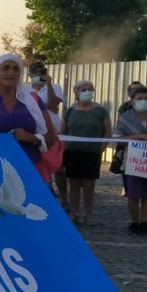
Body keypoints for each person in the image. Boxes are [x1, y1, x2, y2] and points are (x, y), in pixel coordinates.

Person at [0, 53, 58, 182]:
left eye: (16, 69)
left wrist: (30, 138)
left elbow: (51, 138)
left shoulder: (34, 102)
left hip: (31, 169)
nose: (11, 72)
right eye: (6, 68)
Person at [113, 87, 147, 236]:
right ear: (132, 101)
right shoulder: (125, 118)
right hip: (132, 161)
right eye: (139, 98)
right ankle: (134, 222)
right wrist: (141, 137)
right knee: (133, 193)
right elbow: (117, 138)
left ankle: (144, 222)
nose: (143, 101)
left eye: (146, 98)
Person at [60, 80, 111, 226]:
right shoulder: (69, 112)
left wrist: (100, 149)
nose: (87, 92)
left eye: (90, 89)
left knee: (89, 185)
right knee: (74, 184)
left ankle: (89, 214)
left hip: (92, 153)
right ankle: (74, 213)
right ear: (76, 93)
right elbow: (62, 132)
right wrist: (65, 148)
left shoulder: (101, 111)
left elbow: (107, 132)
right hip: (73, 153)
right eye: (84, 89)